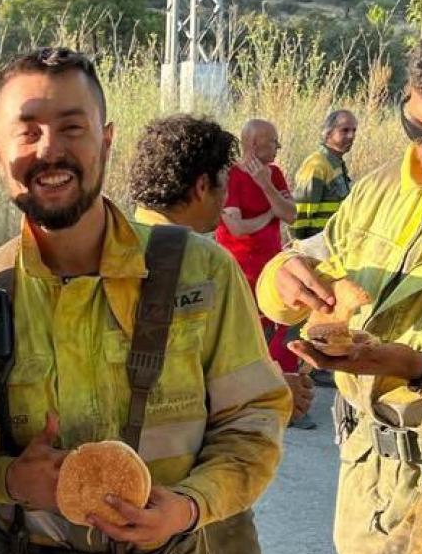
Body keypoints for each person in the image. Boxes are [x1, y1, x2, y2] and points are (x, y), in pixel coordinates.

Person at [0, 47, 291, 554]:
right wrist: (9, 479)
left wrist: (186, 506)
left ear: (106, 140)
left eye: (72, 128)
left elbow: (254, 419)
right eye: (27, 131)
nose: (50, 150)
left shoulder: (200, 271)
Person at [257, 12, 422, 554]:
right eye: (415, 130)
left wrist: (415, 367)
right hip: (368, 490)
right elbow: (307, 261)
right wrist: (282, 278)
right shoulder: (379, 189)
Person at [129, 113, 315, 433]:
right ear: (203, 186)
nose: (225, 197)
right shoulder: (209, 266)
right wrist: (273, 389)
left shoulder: (105, 246)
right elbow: (195, 378)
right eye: (223, 185)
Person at [216, 120, 311, 428]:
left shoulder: (274, 173)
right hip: (239, 271)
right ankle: (243, 403)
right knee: (243, 335)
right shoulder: (230, 176)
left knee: (282, 328)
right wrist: (270, 212)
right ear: (255, 144)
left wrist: (267, 186)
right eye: (273, 142)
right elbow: (237, 227)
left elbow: (291, 214)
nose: (278, 147)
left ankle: (286, 400)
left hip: (271, 271)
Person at [290, 109, 358, 240]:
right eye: (344, 130)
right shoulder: (316, 165)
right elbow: (300, 214)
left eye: (354, 130)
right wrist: (300, 246)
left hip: (334, 242)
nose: (351, 136)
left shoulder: (336, 163)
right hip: (317, 244)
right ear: (328, 134)